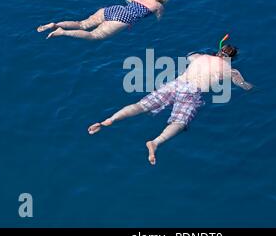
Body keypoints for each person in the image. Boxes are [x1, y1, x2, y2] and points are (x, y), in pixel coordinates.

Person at [87, 42, 253, 165]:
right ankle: (155, 142)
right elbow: (244, 86)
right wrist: (251, 88)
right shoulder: (230, 70)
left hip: (176, 83)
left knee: (141, 105)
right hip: (192, 92)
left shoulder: (200, 57)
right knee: (179, 123)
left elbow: (190, 54)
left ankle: (108, 120)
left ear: (219, 51)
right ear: (231, 58)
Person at [37, 0, 171, 40]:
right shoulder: (159, 6)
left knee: (81, 24)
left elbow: (128, 0)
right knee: (94, 36)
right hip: (125, 19)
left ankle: (54, 25)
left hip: (116, 8)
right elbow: (159, 20)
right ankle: (62, 32)